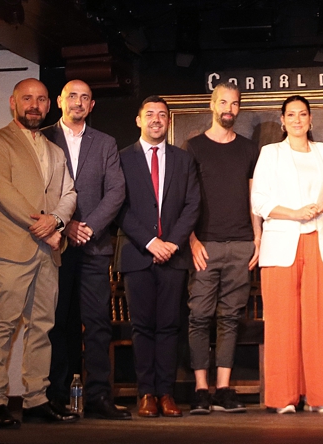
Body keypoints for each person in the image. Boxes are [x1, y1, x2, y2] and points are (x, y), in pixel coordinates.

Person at [0, 78, 78, 428]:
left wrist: (57, 223)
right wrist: (42, 227)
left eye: (40, 99)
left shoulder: (55, 151)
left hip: (47, 252)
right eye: (26, 99)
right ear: (13, 102)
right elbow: (1, 190)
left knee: (42, 328)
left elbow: (69, 194)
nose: (33, 105)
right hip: (11, 248)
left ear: (49, 105)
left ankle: (36, 399)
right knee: (3, 325)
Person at [42, 80, 130, 420]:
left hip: (93, 247)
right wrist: (67, 225)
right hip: (55, 245)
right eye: (72, 96)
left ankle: (98, 397)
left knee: (97, 324)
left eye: (85, 97)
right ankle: (56, 396)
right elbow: (38, 189)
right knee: (57, 321)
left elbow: (116, 192)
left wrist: (87, 226)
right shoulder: (44, 137)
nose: (78, 102)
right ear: (60, 101)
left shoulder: (105, 142)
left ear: (92, 105)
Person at [251, 95, 323, 414]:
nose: (298, 119)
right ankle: (282, 396)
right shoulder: (270, 153)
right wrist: (293, 212)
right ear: (283, 120)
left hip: (319, 240)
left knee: (318, 320)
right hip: (280, 243)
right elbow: (259, 201)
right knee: (281, 322)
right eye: (291, 115)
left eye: (303, 114)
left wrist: (322, 206)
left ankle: (320, 396)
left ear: (310, 119)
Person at [116, 96, 200, 418]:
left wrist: (172, 243)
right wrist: (151, 241)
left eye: (162, 115)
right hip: (138, 254)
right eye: (149, 114)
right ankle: (146, 394)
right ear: (138, 120)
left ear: (168, 121)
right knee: (142, 327)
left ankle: (166, 393)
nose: (156, 119)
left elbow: (193, 205)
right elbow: (119, 206)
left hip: (174, 257)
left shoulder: (183, 159)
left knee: (169, 326)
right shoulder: (122, 159)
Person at [185, 82, 261, 414]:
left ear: (238, 108)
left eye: (234, 103)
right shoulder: (194, 147)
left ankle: (223, 388)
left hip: (242, 244)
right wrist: (191, 240)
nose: (228, 108)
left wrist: (257, 239)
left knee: (230, 319)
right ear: (212, 105)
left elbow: (253, 199)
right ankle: (201, 389)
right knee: (200, 317)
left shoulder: (247, 149)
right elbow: (185, 200)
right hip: (205, 246)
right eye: (223, 102)